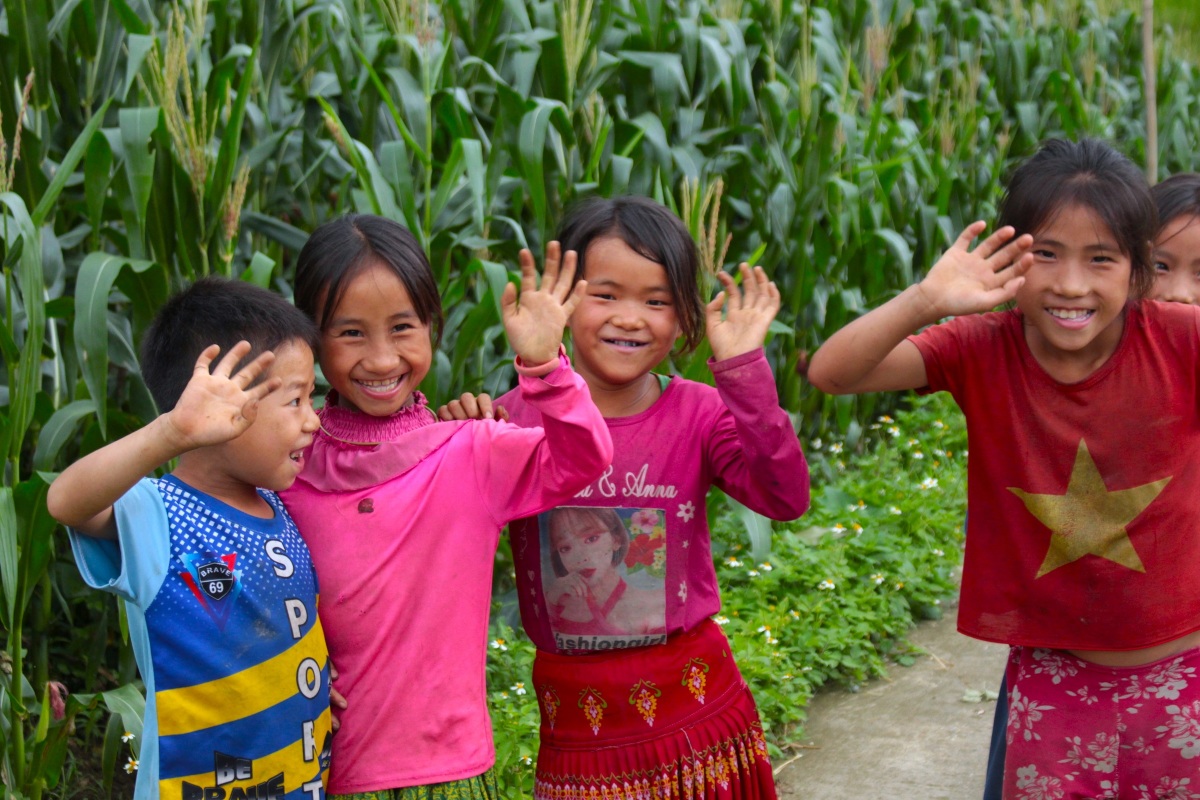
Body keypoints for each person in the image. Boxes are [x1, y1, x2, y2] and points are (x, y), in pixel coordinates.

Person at [808, 138, 1200, 795]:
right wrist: (926, 300)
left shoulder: (1180, 338)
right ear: (1008, 256)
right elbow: (832, 373)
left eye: (1101, 258)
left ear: (1137, 270)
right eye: (1045, 253)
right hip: (1052, 675)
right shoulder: (979, 348)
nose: (1070, 283)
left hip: (1186, 675)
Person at [441, 195, 810, 798]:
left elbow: (785, 496)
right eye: (606, 295)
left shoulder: (700, 414)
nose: (631, 318)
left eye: (656, 301)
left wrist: (744, 371)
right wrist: (456, 441)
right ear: (562, 299)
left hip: (697, 719)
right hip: (578, 731)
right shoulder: (508, 424)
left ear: (685, 317)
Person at [278, 214, 612, 799]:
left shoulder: (469, 451)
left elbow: (583, 459)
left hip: (450, 771)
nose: (382, 359)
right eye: (351, 333)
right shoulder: (287, 468)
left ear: (432, 324)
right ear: (310, 338)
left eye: (402, 327)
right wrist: (284, 666)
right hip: (323, 769)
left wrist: (546, 369)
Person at [47, 278, 333, 799]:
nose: (313, 420)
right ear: (217, 405)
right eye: (295, 400)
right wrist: (170, 432)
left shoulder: (279, 506)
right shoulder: (159, 514)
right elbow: (66, 501)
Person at [978, 170, 1200, 800]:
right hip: (1061, 662)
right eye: (1162, 267)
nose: (1179, 293)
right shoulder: (1033, 367)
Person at [545, 506, 667, 637]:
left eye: (591, 539)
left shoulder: (651, 602)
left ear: (616, 540)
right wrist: (552, 598)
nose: (580, 558)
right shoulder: (554, 599)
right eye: (565, 548)